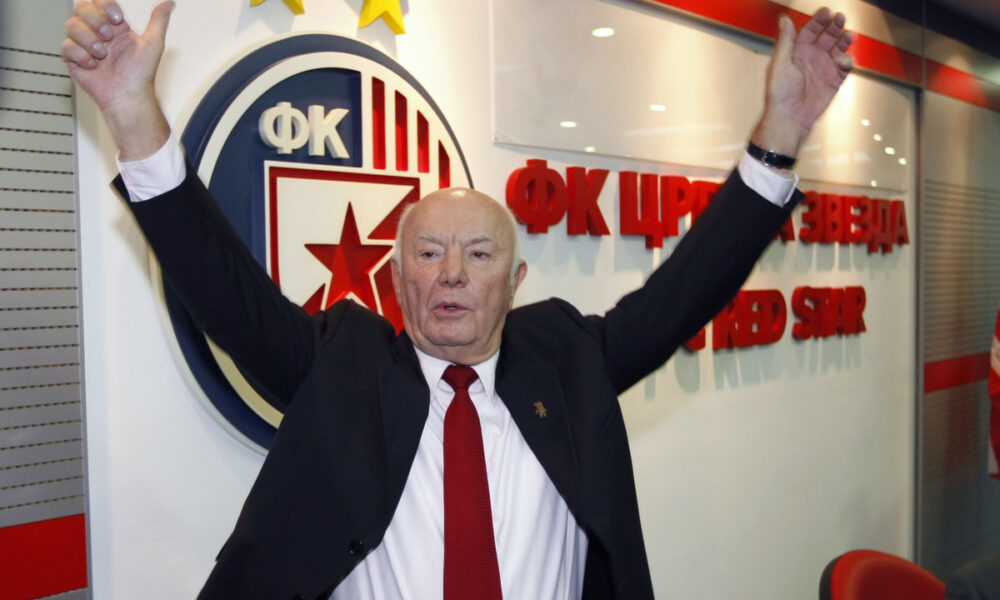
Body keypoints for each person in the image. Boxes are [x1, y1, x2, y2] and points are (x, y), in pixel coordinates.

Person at [62, 1, 854, 598]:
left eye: (479, 255)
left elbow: (689, 288)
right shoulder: (337, 367)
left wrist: (781, 130)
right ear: (395, 279)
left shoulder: (570, 362)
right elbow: (221, 287)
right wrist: (133, 114)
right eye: (427, 252)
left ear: (514, 282)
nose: (451, 273)